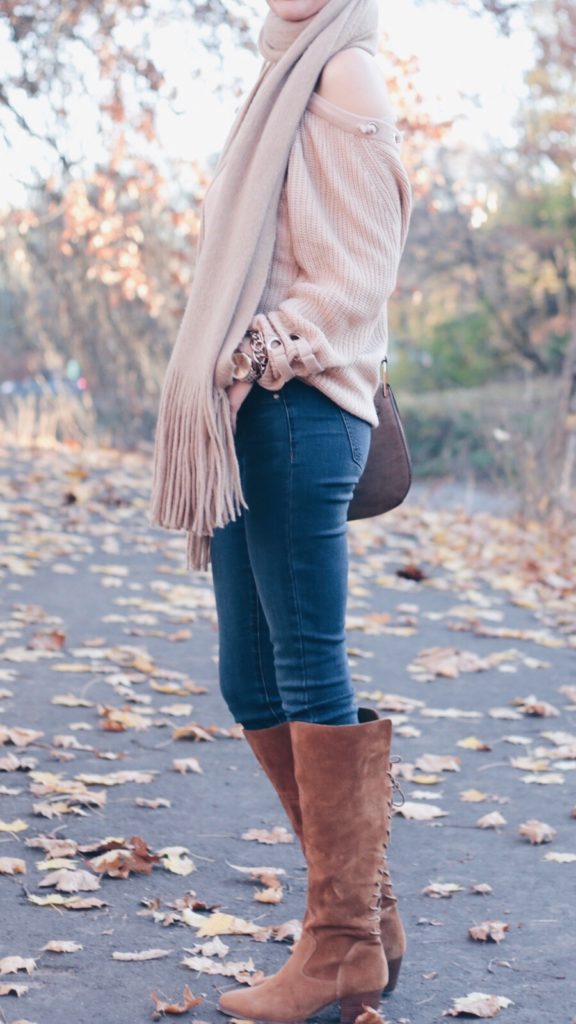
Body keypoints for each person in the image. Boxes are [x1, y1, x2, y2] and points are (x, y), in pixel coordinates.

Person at [149, 0, 412, 1018]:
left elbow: (356, 276)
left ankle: (341, 941)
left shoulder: (344, 71)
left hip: (296, 403)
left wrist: (252, 351)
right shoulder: (282, 76)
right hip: (248, 416)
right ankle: (368, 911)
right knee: (248, 673)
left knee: (305, 662)